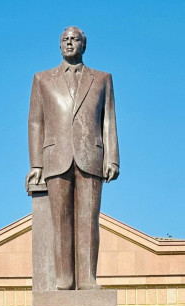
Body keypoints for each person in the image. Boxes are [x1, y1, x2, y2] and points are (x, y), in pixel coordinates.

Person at [26, 26, 119, 290]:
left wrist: (112, 157)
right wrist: (36, 164)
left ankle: (88, 278)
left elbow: (108, 121)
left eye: (74, 39)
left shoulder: (102, 79)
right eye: (65, 40)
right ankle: (64, 279)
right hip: (55, 157)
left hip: (92, 156)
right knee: (61, 222)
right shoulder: (42, 79)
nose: (69, 43)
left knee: (89, 222)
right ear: (59, 46)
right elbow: (35, 122)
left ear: (83, 45)